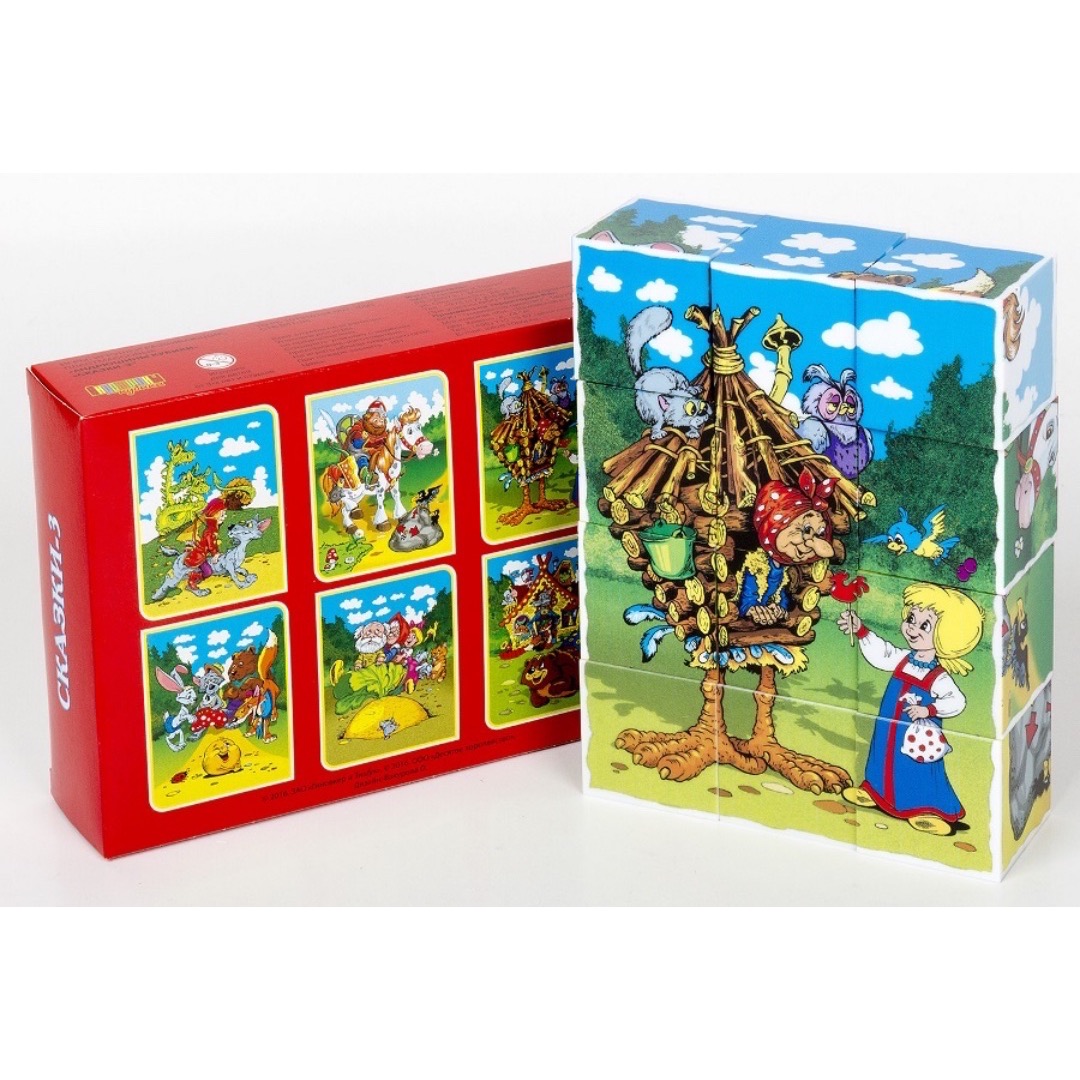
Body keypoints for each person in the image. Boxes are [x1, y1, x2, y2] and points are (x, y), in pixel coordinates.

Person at [838, 583, 984, 835]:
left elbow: (956, 701)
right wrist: (861, 631)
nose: (912, 628)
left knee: (915, 766)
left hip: (917, 735)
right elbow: (883, 654)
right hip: (889, 725)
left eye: (924, 626)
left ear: (946, 636)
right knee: (882, 754)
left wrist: (929, 710)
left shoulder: (938, 676)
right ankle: (877, 792)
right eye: (911, 619)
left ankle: (923, 808)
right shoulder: (904, 658)